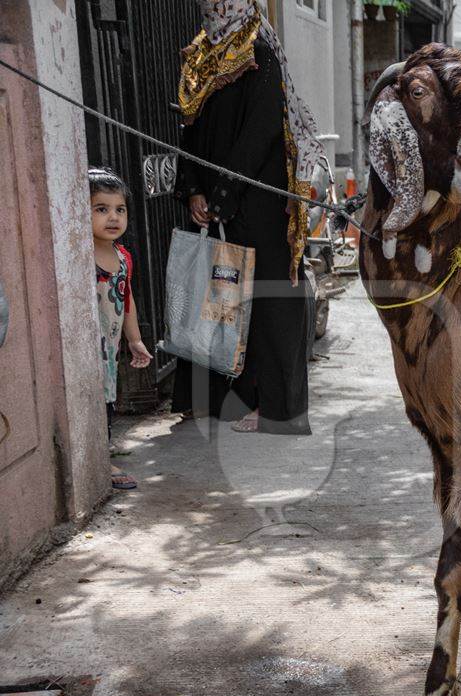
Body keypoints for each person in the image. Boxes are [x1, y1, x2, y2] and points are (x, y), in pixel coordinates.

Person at [171, 0, 325, 435]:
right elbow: (189, 127)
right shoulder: (200, 52)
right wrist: (194, 191)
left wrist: (225, 192)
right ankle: (213, 401)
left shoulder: (259, 46)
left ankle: (278, 410)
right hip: (211, 198)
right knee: (212, 291)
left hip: (259, 196)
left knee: (270, 298)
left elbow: (263, 128)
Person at [89, 167, 153, 490]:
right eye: (101, 209)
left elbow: (125, 299)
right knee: (94, 401)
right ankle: (100, 459)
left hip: (111, 350)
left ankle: (103, 451)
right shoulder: (83, 255)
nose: (113, 217)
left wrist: (135, 340)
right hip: (88, 350)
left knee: (108, 401)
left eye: (120, 210)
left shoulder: (123, 257)